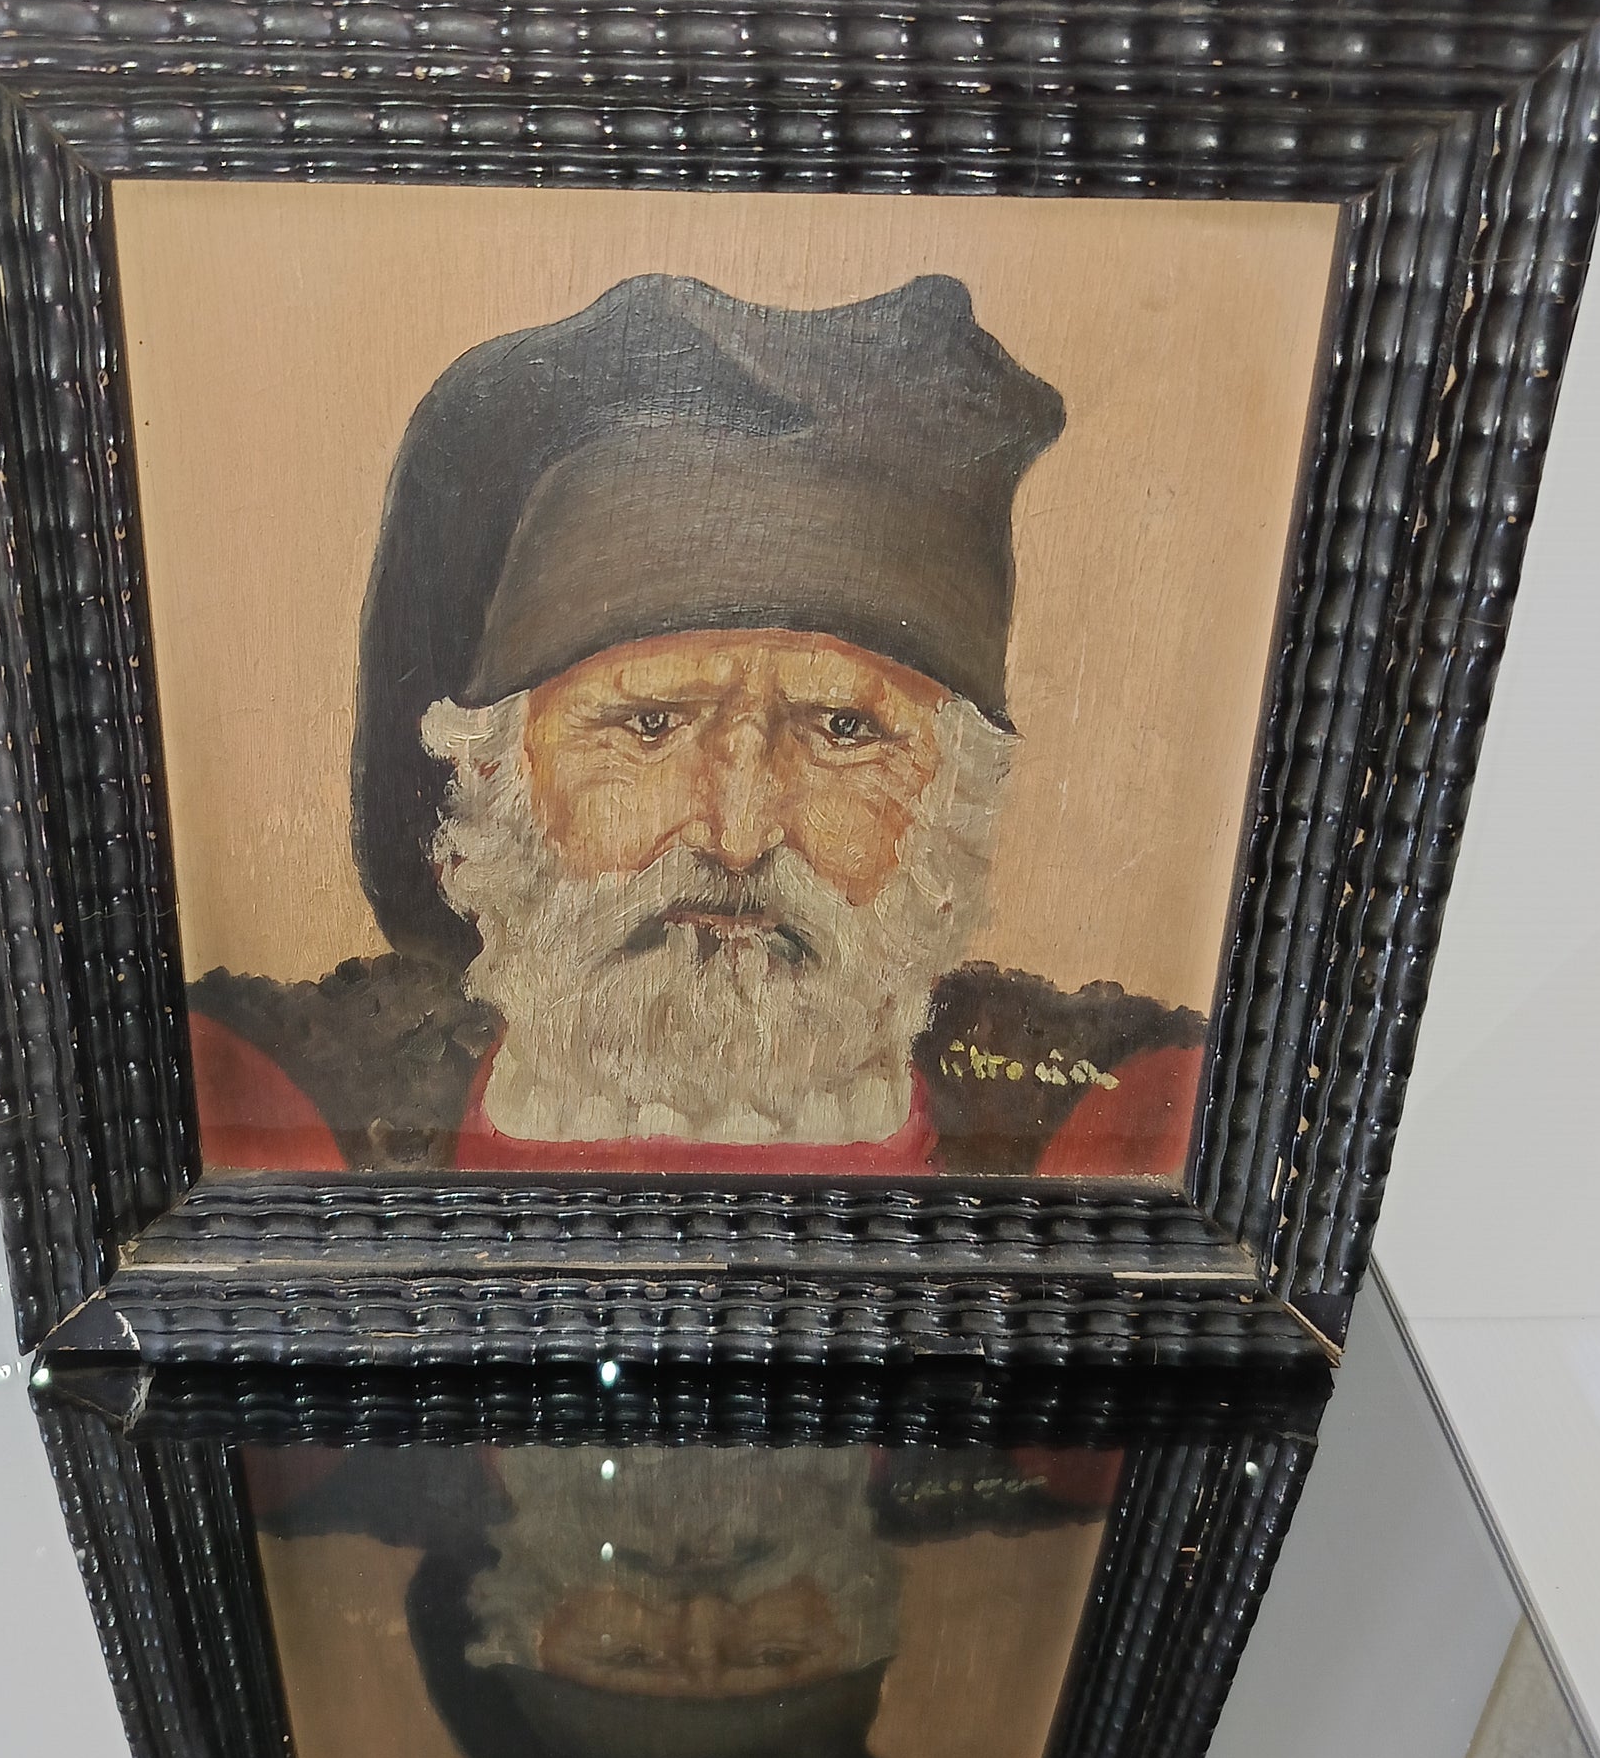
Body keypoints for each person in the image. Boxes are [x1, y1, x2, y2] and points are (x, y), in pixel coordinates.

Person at [189, 273, 1205, 1175]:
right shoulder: (262, 1106)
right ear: (494, 776)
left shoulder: (1134, 1118)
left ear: (955, 793)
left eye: (843, 730)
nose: (740, 831)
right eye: (648, 724)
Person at [247, 1440, 1121, 1758]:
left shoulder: (323, 1456)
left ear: (511, 1619)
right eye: (772, 1652)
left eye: (629, 1652)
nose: (703, 1611)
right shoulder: (1042, 1453)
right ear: (857, 1619)